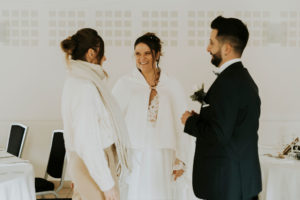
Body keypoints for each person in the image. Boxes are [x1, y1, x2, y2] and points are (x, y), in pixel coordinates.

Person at [181, 16, 262, 200]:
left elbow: (218, 134)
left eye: (211, 43)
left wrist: (190, 121)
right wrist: (203, 119)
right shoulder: (242, 79)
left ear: (226, 48)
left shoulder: (228, 83)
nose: (207, 48)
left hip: (228, 185)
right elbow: (229, 126)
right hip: (238, 183)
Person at [112, 32, 193, 200]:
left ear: (156, 54)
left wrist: (181, 159)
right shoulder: (125, 83)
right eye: (137, 53)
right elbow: (113, 117)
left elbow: (182, 123)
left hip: (164, 153)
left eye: (147, 53)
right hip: (135, 153)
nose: (142, 58)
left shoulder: (172, 84)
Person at [60, 28, 130, 200]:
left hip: (84, 162)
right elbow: (88, 141)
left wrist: (74, 169)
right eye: (102, 54)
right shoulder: (86, 88)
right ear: (92, 53)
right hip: (94, 162)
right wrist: (107, 184)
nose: (105, 58)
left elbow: (71, 134)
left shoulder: (73, 81)